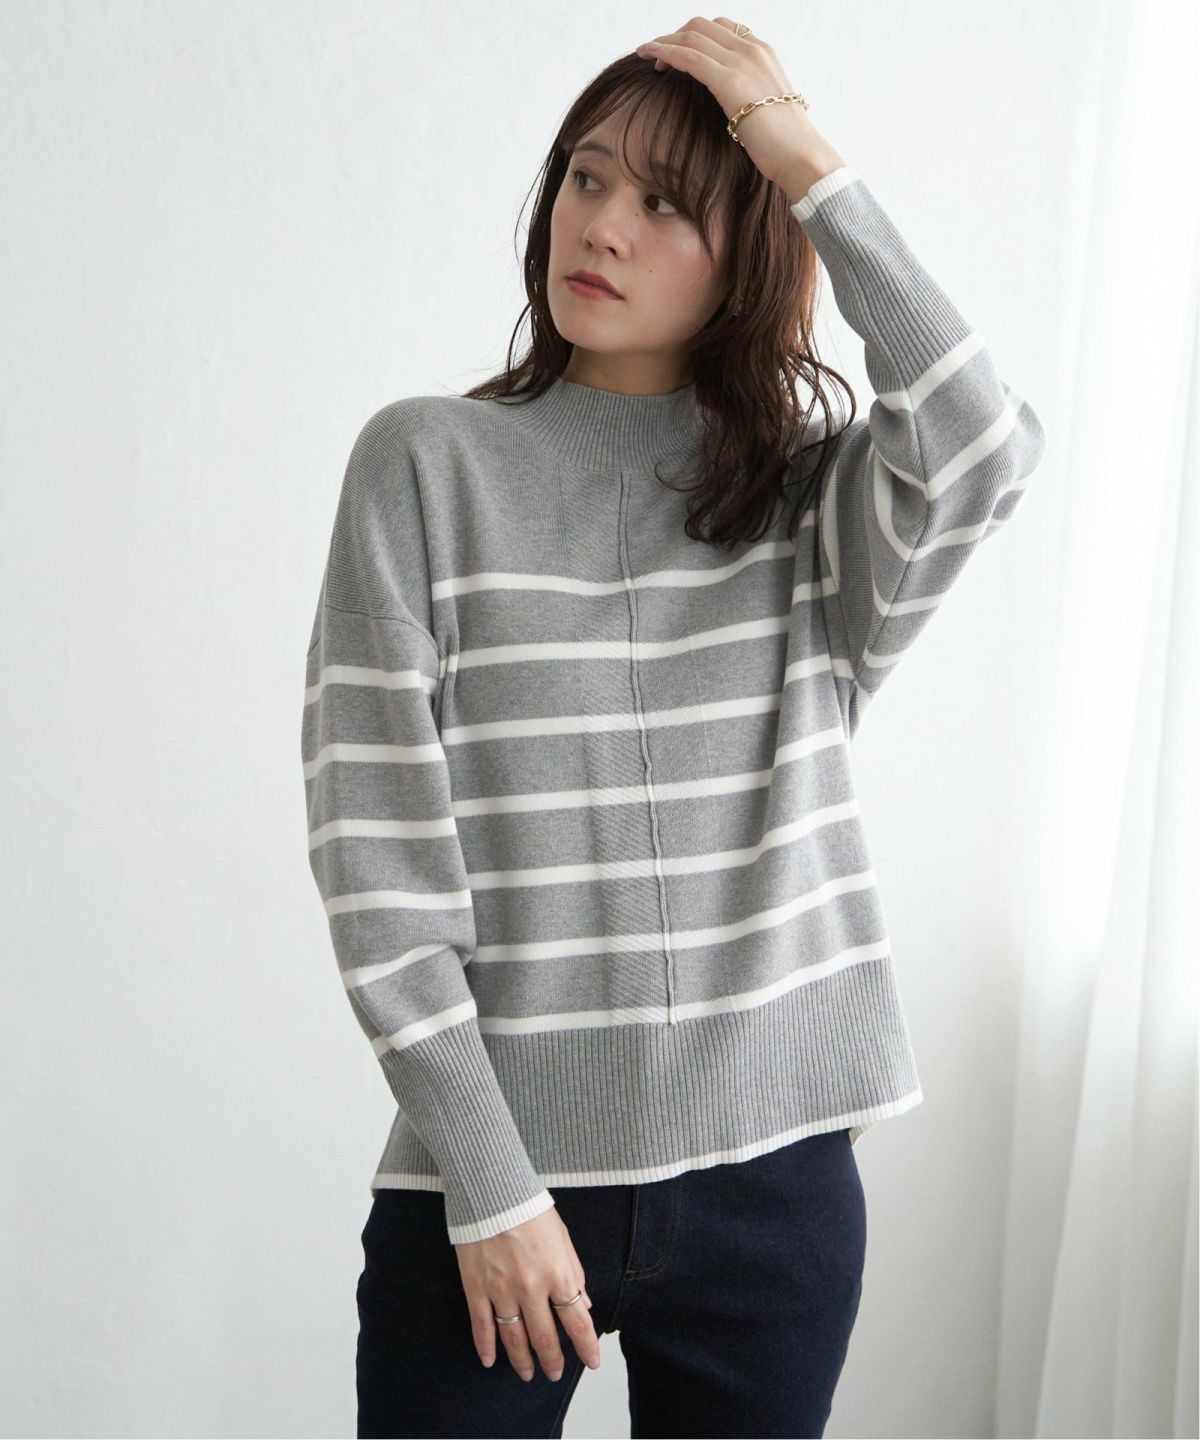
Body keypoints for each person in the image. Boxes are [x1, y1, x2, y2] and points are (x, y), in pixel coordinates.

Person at [300, 16, 1046, 1438]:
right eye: (587, 178)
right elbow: (378, 864)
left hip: (776, 1196)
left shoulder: (809, 504)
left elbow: (980, 441)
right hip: (497, 1189)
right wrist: (494, 1189)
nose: (603, 227)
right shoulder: (427, 464)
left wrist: (804, 158)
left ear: (747, 252)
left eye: (668, 203)